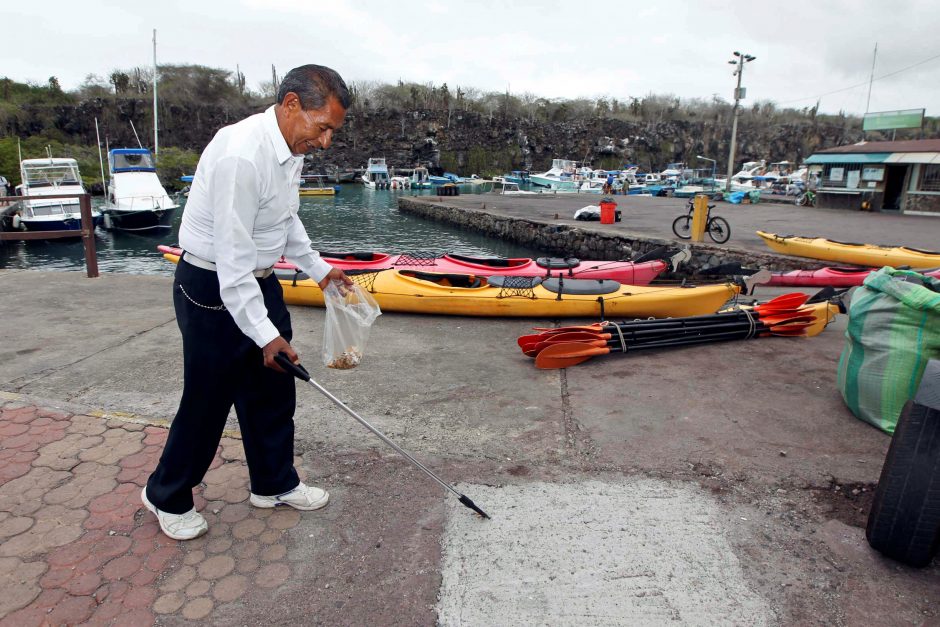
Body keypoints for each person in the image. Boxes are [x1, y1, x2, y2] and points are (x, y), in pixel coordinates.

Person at [142, 64, 353, 540]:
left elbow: (284, 219)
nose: (325, 143)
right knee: (207, 400)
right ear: (292, 104)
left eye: (332, 133)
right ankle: (166, 495)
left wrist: (319, 270)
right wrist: (265, 335)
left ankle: (274, 483)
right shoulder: (242, 156)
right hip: (211, 286)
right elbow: (231, 264)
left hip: (258, 281)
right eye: (323, 129)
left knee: (273, 389)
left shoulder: (289, 146)